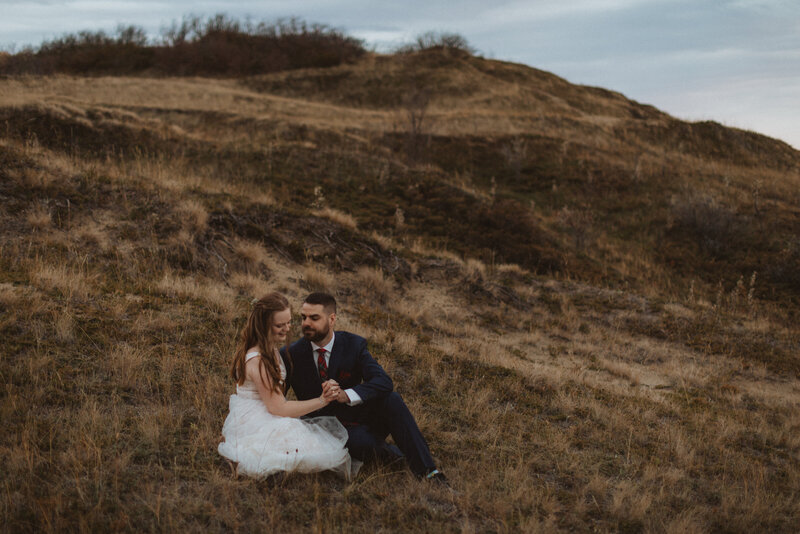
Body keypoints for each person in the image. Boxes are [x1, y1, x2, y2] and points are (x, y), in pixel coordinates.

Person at [280, 292, 447, 483]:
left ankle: (429, 472)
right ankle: (396, 455)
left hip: (358, 416)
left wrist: (346, 395)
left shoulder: (353, 345)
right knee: (360, 443)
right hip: (322, 427)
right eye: (303, 317)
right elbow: (279, 400)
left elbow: (383, 381)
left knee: (391, 399)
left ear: (332, 319)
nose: (306, 323)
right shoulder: (290, 354)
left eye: (314, 318)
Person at [218, 292, 359, 479]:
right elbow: (279, 407)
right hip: (257, 416)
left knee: (308, 442)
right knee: (294, 439)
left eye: (289, 322)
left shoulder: (270, 348)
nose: (286, 329)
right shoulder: (259, 360)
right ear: (264, 325)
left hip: (267, 409)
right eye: (279, 325)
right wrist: (322, 400)